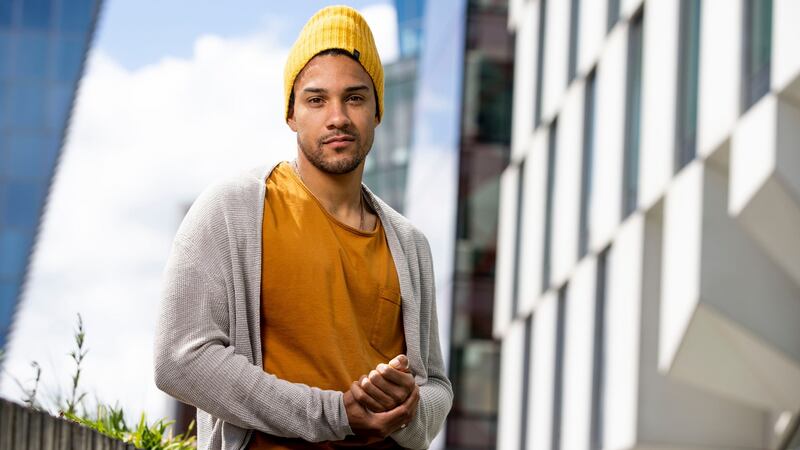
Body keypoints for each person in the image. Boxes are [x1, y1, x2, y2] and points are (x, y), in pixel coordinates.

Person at [153, 5, 453, 449]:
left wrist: (411, 408)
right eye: (316, 99)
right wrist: (335, 414)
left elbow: (437, 388)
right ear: (291, 114)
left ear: (377, 110)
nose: (338, 117)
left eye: (355, 97)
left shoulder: (409, 245)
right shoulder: (232, 209)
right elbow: (180, 359)